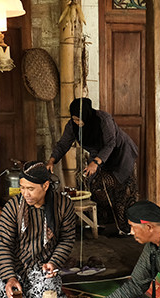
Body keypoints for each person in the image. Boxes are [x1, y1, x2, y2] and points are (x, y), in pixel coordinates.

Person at [0, 161, 77, 298]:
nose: (25, 193)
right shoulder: (13, 207)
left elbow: (67, 239)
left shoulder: (63, 205)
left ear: (45, 186)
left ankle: (33, 293)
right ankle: (29, 292)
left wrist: (53, 262)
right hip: (17, 265)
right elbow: (4, 245)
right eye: (22, 188)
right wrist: (10, 277)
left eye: (30, 189)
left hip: (42, 267)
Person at [46, 97, 139, 236]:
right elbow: (63, 144)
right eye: (74, 119)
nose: (77, 122)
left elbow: (110, 143)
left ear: (87, 115)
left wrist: (95, 162)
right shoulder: (72, 126)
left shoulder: (103, 119)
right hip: (98, 157)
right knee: (93, 184)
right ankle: (102, 223)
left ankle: (126, 227)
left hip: (120, 154)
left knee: (121, 190)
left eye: (79, 119)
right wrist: (51, 160)